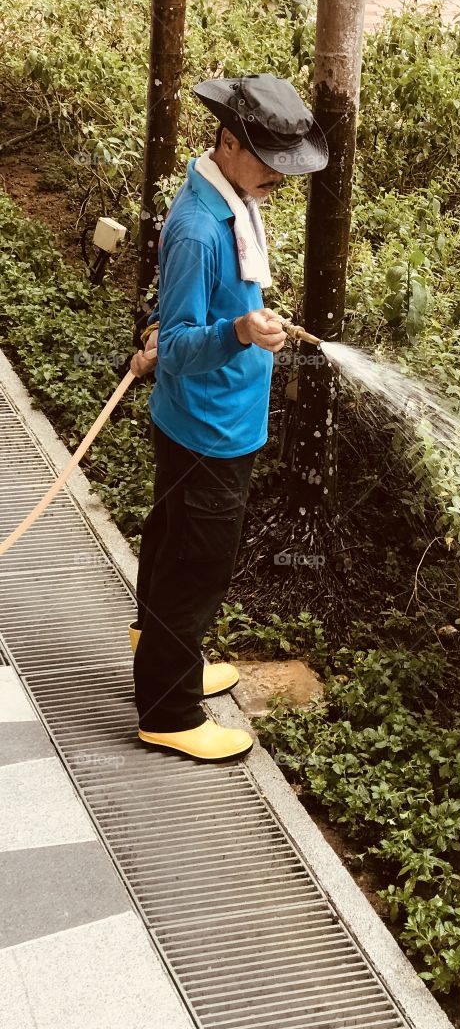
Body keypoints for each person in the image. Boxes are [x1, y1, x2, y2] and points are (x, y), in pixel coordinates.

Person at [128, 72, 328, 762]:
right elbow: (181, 344)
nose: (282, 178)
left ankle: (162, 648)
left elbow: (181, 317)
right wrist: (240, 333)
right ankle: (169, 709)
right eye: (272, 163)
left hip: (209, 421)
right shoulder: (198, 230)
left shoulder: (230, 198)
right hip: (206, 430)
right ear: (229, 142)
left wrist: (239, 320)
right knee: (197, 565)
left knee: (170, 539)